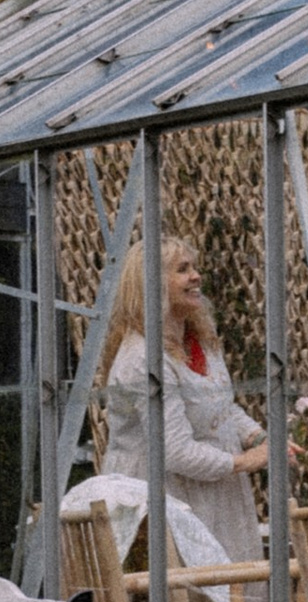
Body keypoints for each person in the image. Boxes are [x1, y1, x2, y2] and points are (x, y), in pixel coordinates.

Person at [101, 237, 270, 577]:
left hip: (212, 492)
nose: (196, 276)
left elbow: (222, 408)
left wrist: (257, 437)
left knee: (237, 596)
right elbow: (173, 451)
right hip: (164, 499)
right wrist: (242, 461)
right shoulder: (144, 359)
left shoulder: (200, 341)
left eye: (194, 267)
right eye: (182, 270)